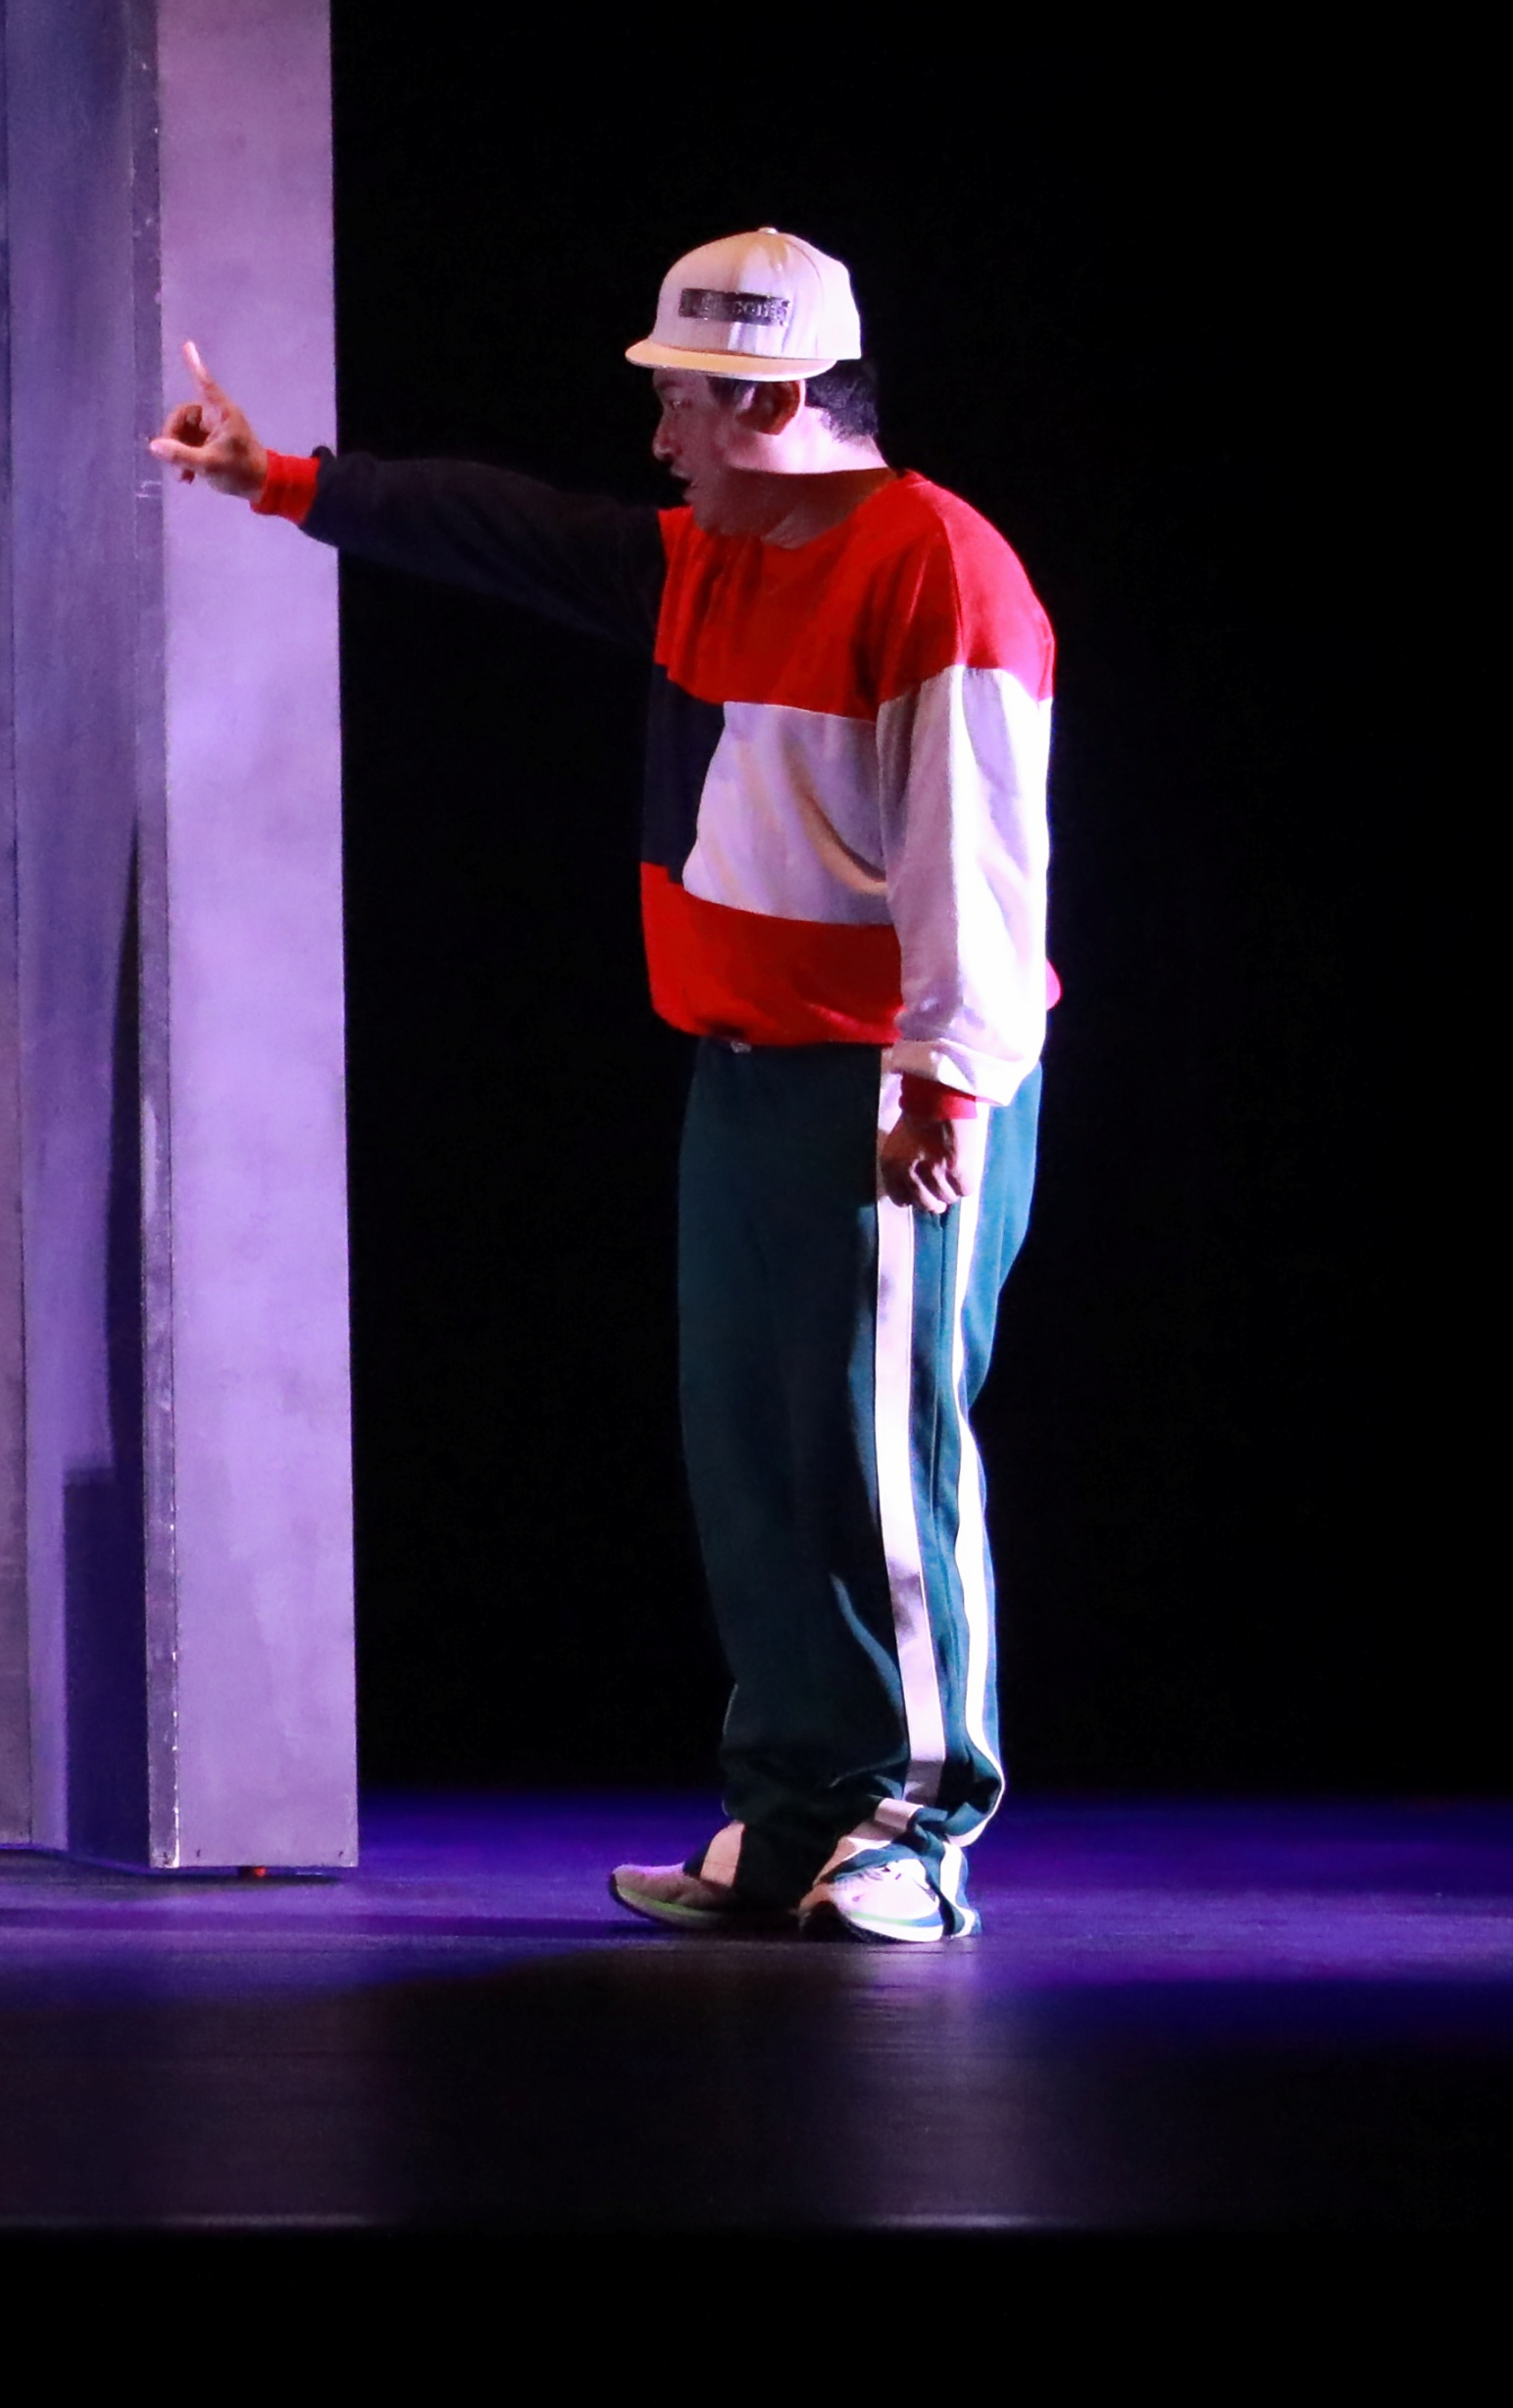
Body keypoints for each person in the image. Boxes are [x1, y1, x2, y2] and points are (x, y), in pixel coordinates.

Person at [149, 229, 1054, 1945]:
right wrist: (279, 478)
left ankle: (915, 1824)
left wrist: (946, 1079)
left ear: (773, 401)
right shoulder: (714, 555)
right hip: (744, 1072)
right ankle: (793, 1816)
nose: (659, 440)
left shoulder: (937, 568)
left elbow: (980, 850)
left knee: (876, 1459)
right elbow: (508, 529)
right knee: (753, 1453)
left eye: (684, 405)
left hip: (887, 1086)